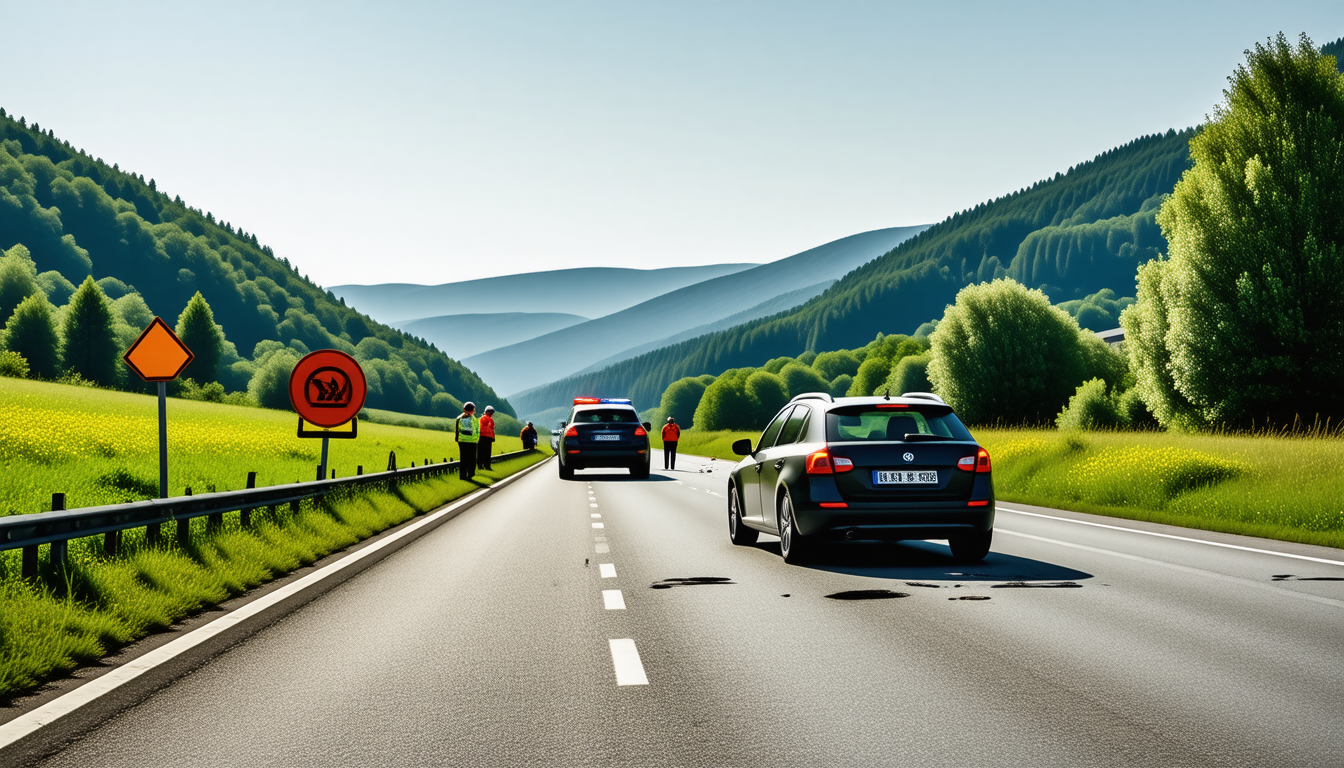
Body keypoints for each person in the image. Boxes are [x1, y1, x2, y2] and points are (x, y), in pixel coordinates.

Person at [455, 402, 480, 479]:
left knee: (463, 458)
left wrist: (457, 438)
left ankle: (462, 475)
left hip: (462, 441)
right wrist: (477, 439)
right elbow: (477, 430)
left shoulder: (459, 418)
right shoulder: (474, 419)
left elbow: (457, 429)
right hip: (472, 441)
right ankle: (470, 474)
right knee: (472, 458)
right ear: (472, 410)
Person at [478, 405, 496, 470]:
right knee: (484, 452)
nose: (491, 413)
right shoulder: (485, 418)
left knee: (484, 452)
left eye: (492, 412)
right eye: (490, 412)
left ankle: (484, 465)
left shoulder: (488, 419)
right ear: (486, 411)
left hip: (486, 437)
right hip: (483, 437)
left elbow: (492, 429)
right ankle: (484, 465)